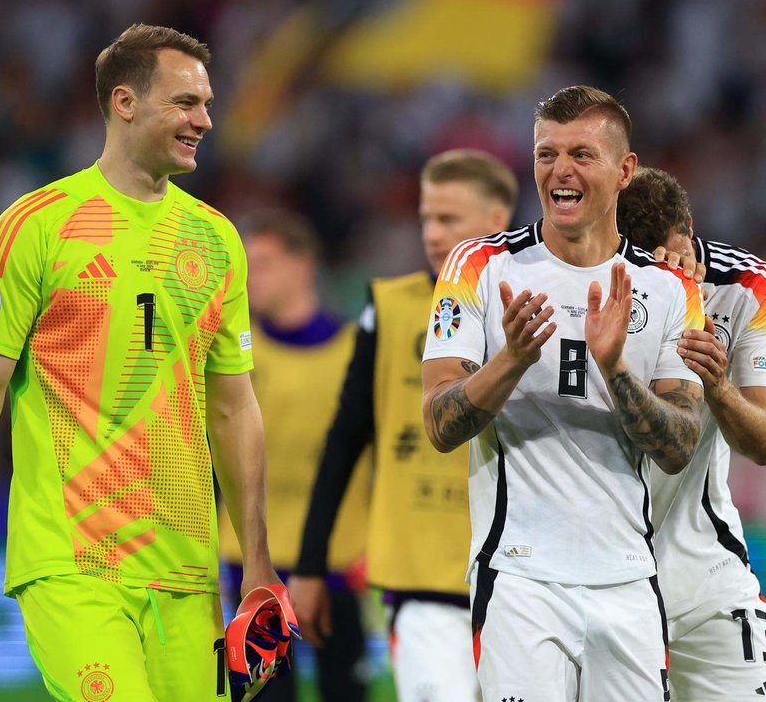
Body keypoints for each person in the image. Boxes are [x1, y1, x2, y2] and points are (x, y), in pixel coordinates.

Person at [0, 24, 283, 701]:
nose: (204, 120)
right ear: (125, 102)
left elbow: (233, 407)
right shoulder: (36, 226)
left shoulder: (217, 239)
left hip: (186, 572)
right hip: (72, 563)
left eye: (205, 103)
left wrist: (255, 561)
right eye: (185, 103)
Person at [421, 85, 706, 702]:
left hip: (629, 579)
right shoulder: (480, 266)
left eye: (582, 153)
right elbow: (440, 424)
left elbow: (680, 443)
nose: (561, 171)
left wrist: (616, 369)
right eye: (547, 153)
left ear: (625, 170)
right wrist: (512, 360)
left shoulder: (668, 288)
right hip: (519, 576)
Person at [289, 149, 516, 702]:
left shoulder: (535, 308)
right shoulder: (388, 308)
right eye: (425, 218)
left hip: (518, 579)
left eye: (448, 219)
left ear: (496, 222)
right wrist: (311, 565)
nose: (433, 234)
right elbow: (345, 439)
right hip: (421, 579)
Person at [616, 166, 766, 700]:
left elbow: (764, 443)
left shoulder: (747, 288)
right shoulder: (594, 287)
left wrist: (716, 383)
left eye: (670, 259)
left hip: (707, 571)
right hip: (607, 576)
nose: (665, 279)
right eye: (646, 267)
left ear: (689, 229)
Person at [217, 211, 372, 702]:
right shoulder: (231, 353)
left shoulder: (356, 350)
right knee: (266, 698)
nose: (249, 277)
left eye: (261, 263)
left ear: (303, 264)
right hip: (248, 558)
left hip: (339, 556)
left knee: (343, 692)